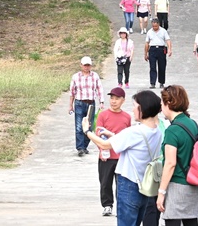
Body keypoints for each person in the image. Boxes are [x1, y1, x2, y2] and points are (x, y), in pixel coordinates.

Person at [83, 90, 163, 226]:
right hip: (144, 184)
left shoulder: (134, 131)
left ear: (142, 109)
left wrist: (87, 131)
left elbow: (104, 144)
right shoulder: (157, 131)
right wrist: (112, 134)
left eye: (135, 106)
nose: (132, 110)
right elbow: (131, 144)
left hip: (128, 184)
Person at [157, 85, 198, 226]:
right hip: (193, 182)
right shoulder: (192, 124)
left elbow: (170, 164)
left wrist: (161, 192)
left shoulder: (173, 130)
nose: (161, 107)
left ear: (168, 103)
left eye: (162, 103)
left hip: (177, 184)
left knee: (173, 222)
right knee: (191, 221)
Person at [97, 87, 133, 217]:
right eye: (111, 98)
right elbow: (98, 134)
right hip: (106, 155)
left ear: (123, 100)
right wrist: (101, 150)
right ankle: (107, 205)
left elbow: (129, 136)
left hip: (121, 156)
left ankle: (121, 206)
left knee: (121, 183)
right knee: (105, 182)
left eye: (117, 99)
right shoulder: (103, 115)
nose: (113, 101)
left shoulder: (127, 117)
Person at [68, 56, 104, 156]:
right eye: (85, 65)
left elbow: (99, 89)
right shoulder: (76, 77)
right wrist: (70, 105)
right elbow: (72, 92)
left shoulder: (95, 76)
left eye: (88, 65)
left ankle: (84, 146)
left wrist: (101, 102)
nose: (86, 67)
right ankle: (80, 147)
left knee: (89, 126)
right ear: (81, 65)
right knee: (79, 126)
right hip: (79, 102)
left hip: (91, 103)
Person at [145, 19, 172, 89]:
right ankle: (152, 83)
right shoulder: (149, 32)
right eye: (153, 26)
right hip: (152, 49)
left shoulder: (163, 31)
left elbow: (168, 40)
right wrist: (145, 53)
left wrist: (169, 49)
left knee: (162, 66)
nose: (155, 28)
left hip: (161, 49)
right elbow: (147, 43)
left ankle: (161, 82)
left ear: (158, 25)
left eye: (156, 26)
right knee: (152, 67)